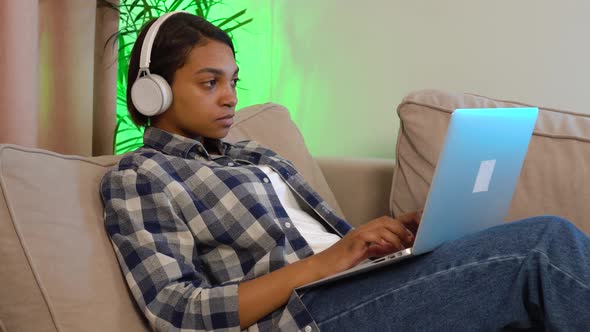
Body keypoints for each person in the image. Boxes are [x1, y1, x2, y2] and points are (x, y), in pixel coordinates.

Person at [100, 12, 590, 332]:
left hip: (358, 286)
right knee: (546, 245)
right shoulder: (143, 176)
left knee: (531, 290)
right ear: (153, 91)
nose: (230, 97)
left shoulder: (255, 154)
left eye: (232, 81)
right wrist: (335, 258)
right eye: (210, 83)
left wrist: (388, 243)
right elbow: (178, 313)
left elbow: (323, 244)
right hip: (308, 316)